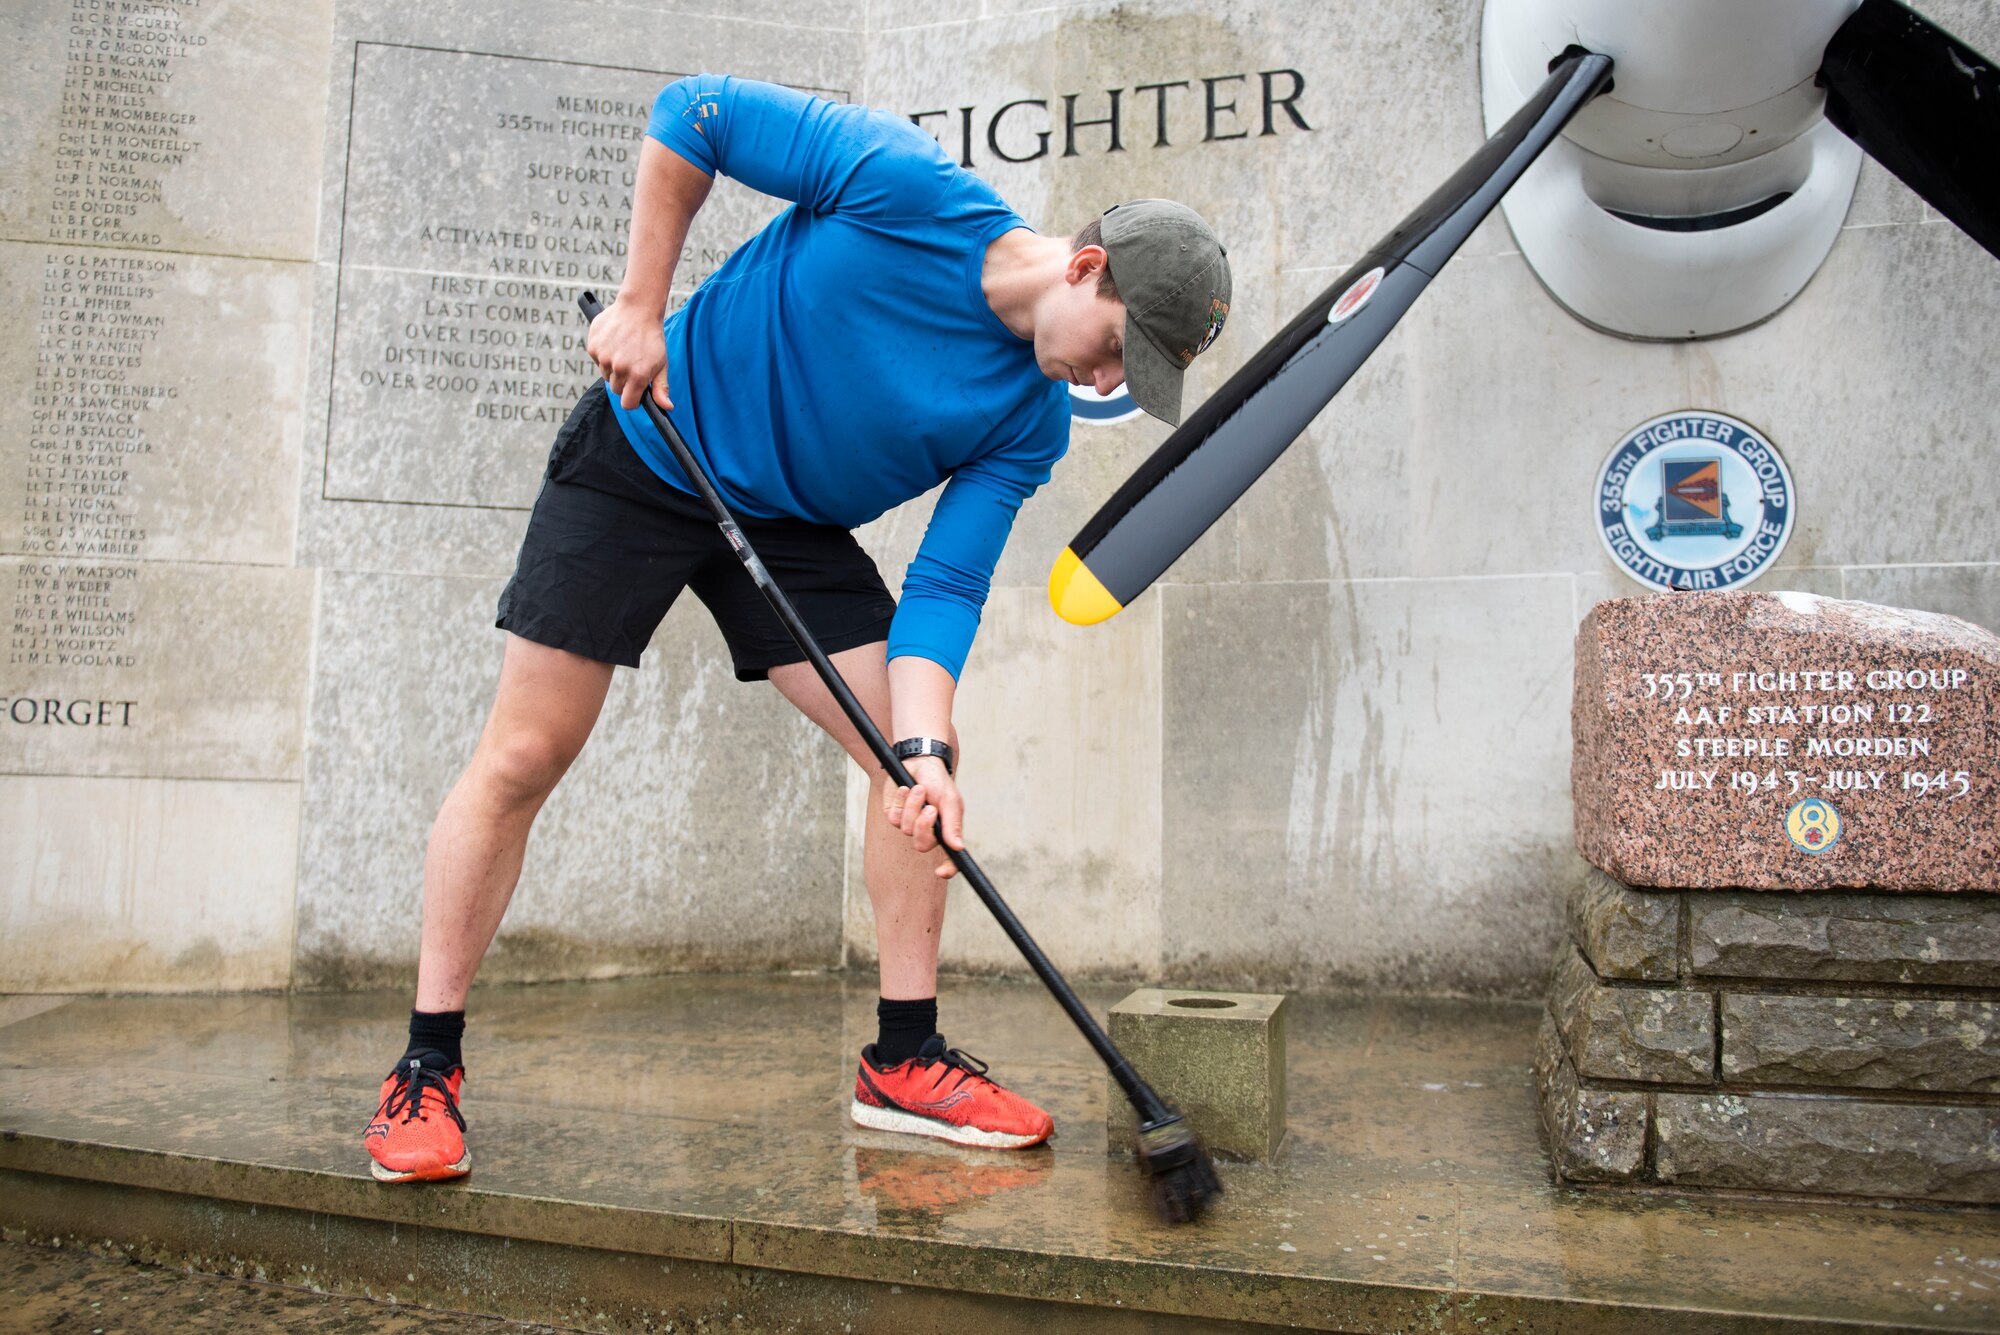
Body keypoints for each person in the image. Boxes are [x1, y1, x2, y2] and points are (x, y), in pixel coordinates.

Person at [362, 72, 1232, 1182]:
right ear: (1085, 267)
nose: (1108, 381)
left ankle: (903, 1059)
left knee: (907, 765)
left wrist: (923, 748)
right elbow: (693, 115)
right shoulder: (904, 188)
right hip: (649, 442)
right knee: (527, 751)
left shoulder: (1029, 420)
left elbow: (944, 590)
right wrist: (639, 303)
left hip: (787, 523)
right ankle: (426, 1066)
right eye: (1118, 350)